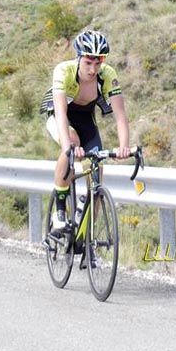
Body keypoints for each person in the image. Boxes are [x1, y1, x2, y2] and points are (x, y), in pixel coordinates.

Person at [41, 30, 130, 233]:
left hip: (85, 120)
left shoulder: (107, 75)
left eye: (98, 63)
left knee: (97, 174)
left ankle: (87, 239)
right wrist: (69, 147)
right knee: (72, 142)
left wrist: (124, 146)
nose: (93, 69)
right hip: (59, 117)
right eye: (88, 63)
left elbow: (120, 115)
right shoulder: (63, 71)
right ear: (79, 57)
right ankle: (60, 211)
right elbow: (61, 113)